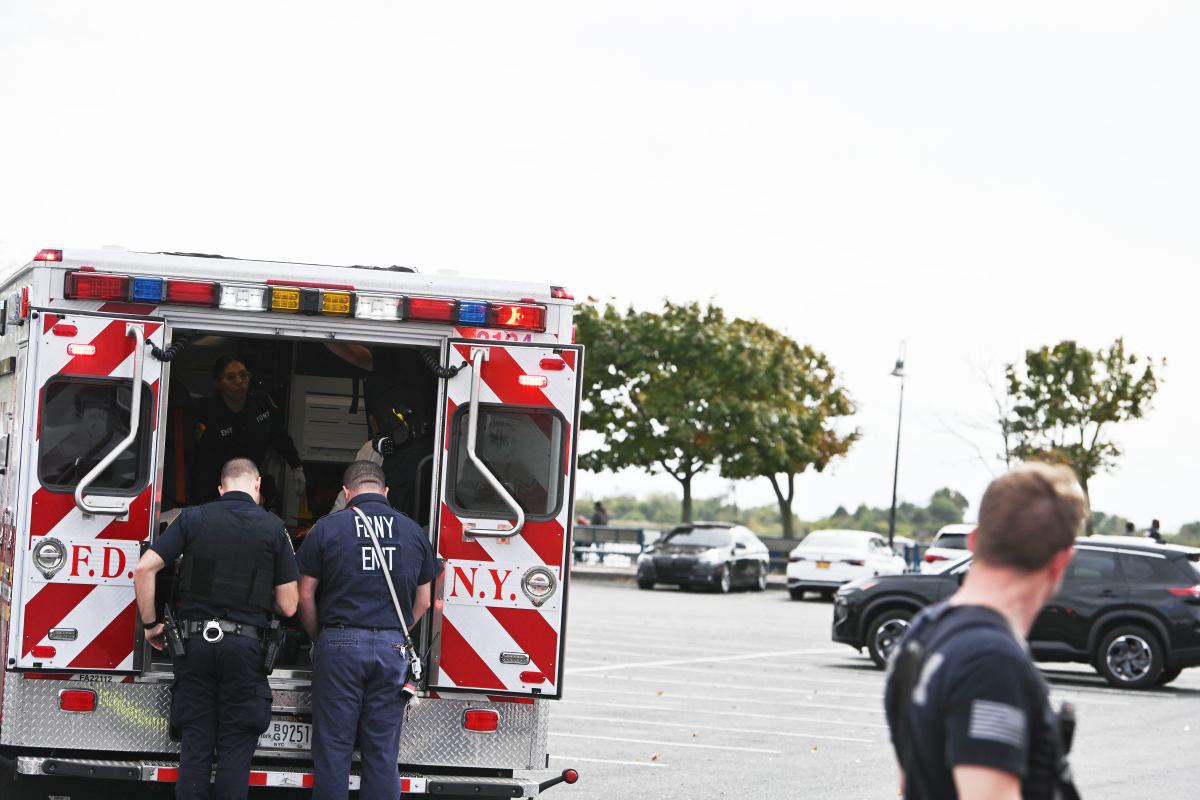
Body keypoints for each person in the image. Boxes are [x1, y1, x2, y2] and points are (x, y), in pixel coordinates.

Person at [884, 463, 1087, 799]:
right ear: (1062, 560)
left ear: (974, 541)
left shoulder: (923, 633)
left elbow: (910, 782)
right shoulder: (992, 661)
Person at [132, 458, 299, 800]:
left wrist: (151, 625)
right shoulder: (274, 529)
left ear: (221, 488)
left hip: (194, 647)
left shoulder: (192, 518)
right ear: (257, 487)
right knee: (236, 754)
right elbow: (289, 605)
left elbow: (144, 570)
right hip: (244, 651)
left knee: (195, 749)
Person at [297, 460, 437, 800]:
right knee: (383, 755)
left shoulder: (327, 529)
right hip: (392, 649)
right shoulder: (413, 532)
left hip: (339, 645)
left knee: (333, 753)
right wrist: (397, 631)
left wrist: (321, 637)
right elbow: (425, 600)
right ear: (385, 492)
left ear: (346, 493)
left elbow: (304, 594)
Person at [189, 355, 305, 509]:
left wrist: (296, 466)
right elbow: (201, 464)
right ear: (218, 383)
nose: (239, 381)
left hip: (253, 480)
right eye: (230, 377)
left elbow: (279, 436)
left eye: (243, 375)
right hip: (216, 485)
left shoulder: (261, 403)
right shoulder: (208, 413)